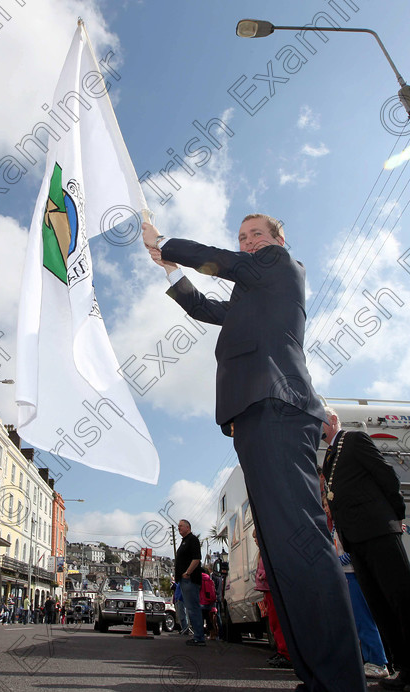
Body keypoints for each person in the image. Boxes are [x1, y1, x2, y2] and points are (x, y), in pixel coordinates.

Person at [143, 216, 365, 691]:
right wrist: (169, 269)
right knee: (284, 555)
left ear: (278, 241)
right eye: (242, 237)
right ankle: (316, 676)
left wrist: (166, 242)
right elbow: (204, 308)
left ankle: (340, 681)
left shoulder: (280, 265)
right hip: (255, 413)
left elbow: (223, 263)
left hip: (276, 405)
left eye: (256, 235)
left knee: (301, 544)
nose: (247, 243)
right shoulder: (252, 296)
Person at [321, 406, 410, 689]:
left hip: (378, 531)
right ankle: (404, 669)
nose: (314, 428)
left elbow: (386, 476)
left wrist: (395, 516)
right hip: (356, 540)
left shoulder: (354, 439)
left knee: (401, 599)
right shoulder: (329, 458)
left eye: (318, 422)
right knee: (380, 606)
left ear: (333, 420)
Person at [322, 492, 390, 680]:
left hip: (354, 575)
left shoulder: (345, 524)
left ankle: (378, 662)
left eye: (327, 505)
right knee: (356, 622)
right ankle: (369, 659)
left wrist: (335, 562)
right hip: (346, 576)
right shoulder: (336, 527)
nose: (326, 509)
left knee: (364, 620)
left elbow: (353, 552)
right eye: (325, 506)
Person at [254, 528, 292, 669]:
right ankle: (281, 651)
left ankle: (286, 653)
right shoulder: (262, 553)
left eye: (256, 538)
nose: (255, 541)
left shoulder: (270, 551)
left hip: (271, 589)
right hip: (267, 590)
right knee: (273, 623)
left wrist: (263, 575)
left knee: (278, 622)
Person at [174, 519, 204, 646]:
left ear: (188, 527)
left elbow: (196, 558)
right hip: (184, 581)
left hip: (190, 580)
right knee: (190, 608)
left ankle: (199, 637)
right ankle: (197, 636)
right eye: (178, 526)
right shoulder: (184, 541)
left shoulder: (193, 540)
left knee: (193, 608)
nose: (178, 528)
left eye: (181, 526)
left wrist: (187, 573)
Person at [199, 569, 218, 641]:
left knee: (200, 620)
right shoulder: (209, 579)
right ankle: (212, 634)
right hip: (209, 602)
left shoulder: (199, 579)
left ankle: (200, 635)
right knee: (208, 619)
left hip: (201, 601)